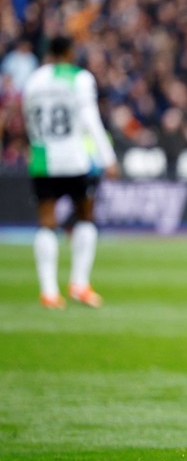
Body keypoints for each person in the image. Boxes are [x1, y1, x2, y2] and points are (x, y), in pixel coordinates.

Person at [22, 35, 118, 309]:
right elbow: (90, 119)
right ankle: (79, 283)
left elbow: (28, 117)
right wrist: (107, 157)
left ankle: (49, 292)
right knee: (86, 216)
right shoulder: (80, 78)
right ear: (69, 53)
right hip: (74, 158)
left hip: (42, 158)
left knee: (46, 221)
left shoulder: (34, 80)